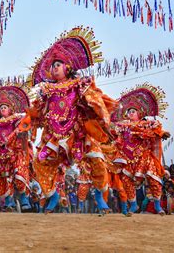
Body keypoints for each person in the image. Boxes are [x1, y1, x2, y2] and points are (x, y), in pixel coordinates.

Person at [28, 26, 117, 214]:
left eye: (57, 64)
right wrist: (36, 108)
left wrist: (91, 98)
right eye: (52, 66)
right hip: (54, 135)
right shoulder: (46, 91)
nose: (54, 68)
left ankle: (101, 197)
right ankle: (52, 195)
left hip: (79, 132)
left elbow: (95, 100)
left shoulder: (79, 85)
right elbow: (37, 114)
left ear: (68, 67)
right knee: (39, 162)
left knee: (97, 161)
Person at [111, 83, 170, 215]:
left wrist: (163, 133)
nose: (130, 113)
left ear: (140, 112)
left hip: (144, 156)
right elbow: (113, 133)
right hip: (127, 157)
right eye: (128, 111)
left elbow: (157, 130)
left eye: (133, 111)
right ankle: (133, 205)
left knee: (153, 179)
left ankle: (158, 206)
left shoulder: (147, 124)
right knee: (126, 180)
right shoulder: (122, 125)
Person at [0, 85, 32, 211]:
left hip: (15, 151)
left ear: (10, 109)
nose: (3, 109)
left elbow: (25, 125)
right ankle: (8, 200)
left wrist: (20, 132)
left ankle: (24, 197)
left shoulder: (16, 119)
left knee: (19, 173)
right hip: (1, 153)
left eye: (5, 107)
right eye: (1, 107)